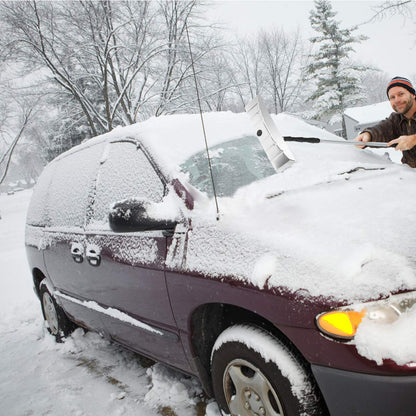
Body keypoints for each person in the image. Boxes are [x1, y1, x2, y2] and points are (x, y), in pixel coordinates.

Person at [354, 76, 416, 167]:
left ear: (413, 94)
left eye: (401, 94)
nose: (397, 100)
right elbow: (382, 130)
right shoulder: (396, 120)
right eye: (392, 97)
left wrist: (413, 139)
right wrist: (368, 135)